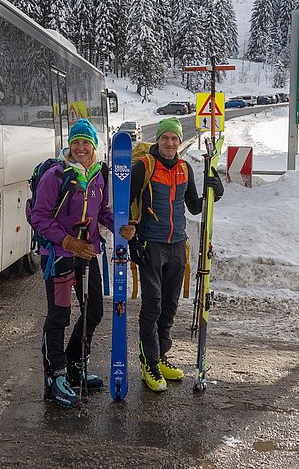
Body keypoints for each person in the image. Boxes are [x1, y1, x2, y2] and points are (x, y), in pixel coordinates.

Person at [30, 118, 136, 408]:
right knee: (59, 316)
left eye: (85, 143)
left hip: (87, 256)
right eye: (76, 142)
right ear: (70, 145)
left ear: (94, 147)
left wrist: (119, 226)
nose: (80, 147)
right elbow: (39, 218)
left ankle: (75, 364)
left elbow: (101, 211)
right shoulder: (57, 175)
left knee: (95, 311)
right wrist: (68, 242)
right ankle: (55, 377)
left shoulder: (98, 175)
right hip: (59, 256)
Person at [128, 116, 223, 392]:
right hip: (151, 245)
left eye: (174, 139)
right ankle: (149, 363)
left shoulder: (184, 168)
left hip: (178, 245)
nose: (170, 143)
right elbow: (126, 202)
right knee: (153, 304)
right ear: (158, 139)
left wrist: (214, 192)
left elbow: (194, 207)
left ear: (180, 142)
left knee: (169, 306)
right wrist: (132, 239)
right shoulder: (143, 167)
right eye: (165, 138)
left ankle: (161, 355)